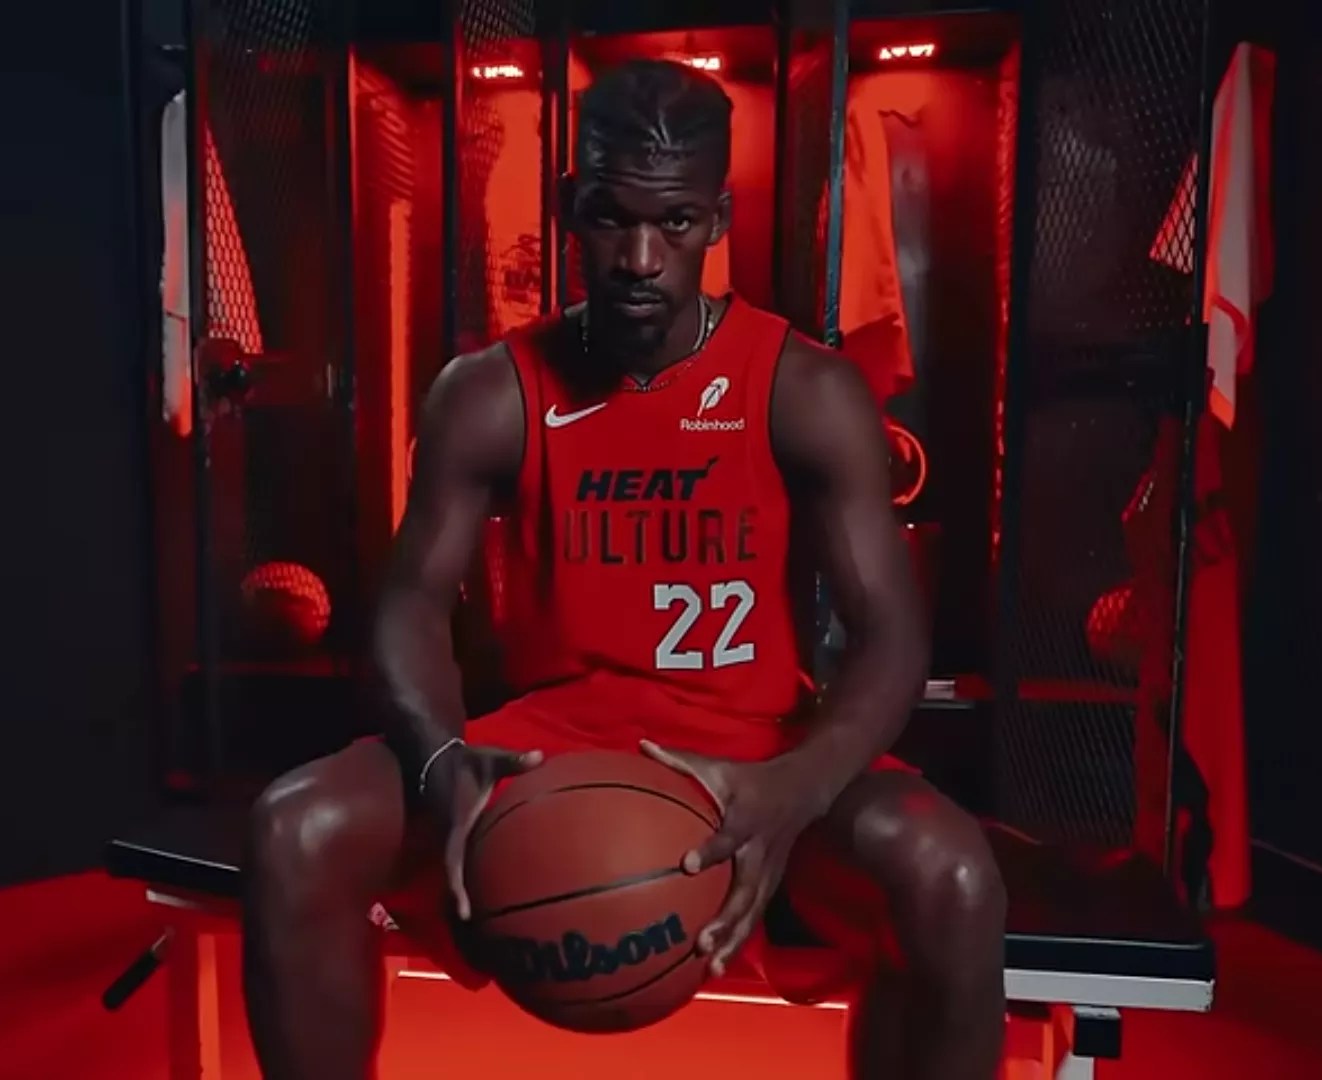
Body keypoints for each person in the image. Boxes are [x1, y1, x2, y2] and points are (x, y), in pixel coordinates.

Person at [243, 59, 1006, 1078]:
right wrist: (439, 760)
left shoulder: (804, 390)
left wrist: (799, 783)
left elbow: (890, 636)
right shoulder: (490, 394)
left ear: (719, 219)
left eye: (677, 224)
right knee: (295, 828)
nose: (641, 257)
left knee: (951, 874)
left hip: (755, 749)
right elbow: (410, 603)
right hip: (547, 744)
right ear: (571, 208)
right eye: (611, 218)